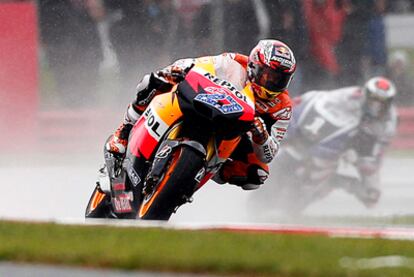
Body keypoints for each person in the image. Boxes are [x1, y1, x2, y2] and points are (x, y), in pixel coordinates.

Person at [105, 39, 296, 190]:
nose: (272, 83)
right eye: (268, 75)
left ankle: (199, 172)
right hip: (205, 102)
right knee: (154, 81)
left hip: (235, 131)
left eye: (280, 79)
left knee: (257, 174)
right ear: (255, 66)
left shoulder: (283, 106)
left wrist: (261, 136)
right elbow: (199, 64)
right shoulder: (235, 62)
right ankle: (124, 130)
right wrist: (177, 70)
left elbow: (269, 154)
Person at [253, 76, 397, 213]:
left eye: (381, 104)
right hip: (325, 136)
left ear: (389, 103)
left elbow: (375, 154)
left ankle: (329, 188)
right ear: (365, 95)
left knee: (366, 190)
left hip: (355, 145)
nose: (376, 107)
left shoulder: (388, 122)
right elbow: (319, 100)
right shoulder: (350, 96)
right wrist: (297, 118)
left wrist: (370, 184)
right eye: (373, 101)